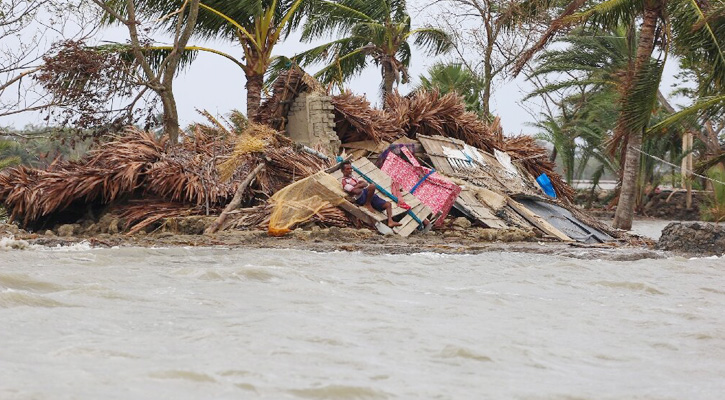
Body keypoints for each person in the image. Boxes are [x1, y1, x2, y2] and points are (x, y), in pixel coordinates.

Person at [340, 161, 401, 228]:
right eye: (347, 169)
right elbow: (357, 192)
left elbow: (365, 184)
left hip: (366, 194)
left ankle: (390, 221)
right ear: (342, 171)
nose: (350, 170)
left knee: (388, 204)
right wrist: (359, 185)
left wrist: (357, 186)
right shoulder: (344, 182)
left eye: (350, 169)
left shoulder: (353, 177)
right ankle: (367, 203)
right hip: (360, 198)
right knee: (372, 186)